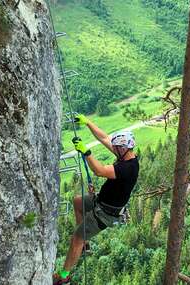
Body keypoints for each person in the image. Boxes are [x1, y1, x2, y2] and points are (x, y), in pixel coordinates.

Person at [53, 114, 140, 285]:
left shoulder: (127, 168)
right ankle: (84, 243)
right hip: (101, 202)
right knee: (78, 202)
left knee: (76, 238)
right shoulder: (126, 155)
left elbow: (99, 170)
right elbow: (104, 138)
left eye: (116, 147)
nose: (113, 148)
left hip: (105, 214)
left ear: (123, 149)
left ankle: (63, 276)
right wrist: (88, 123)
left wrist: (86, 152)